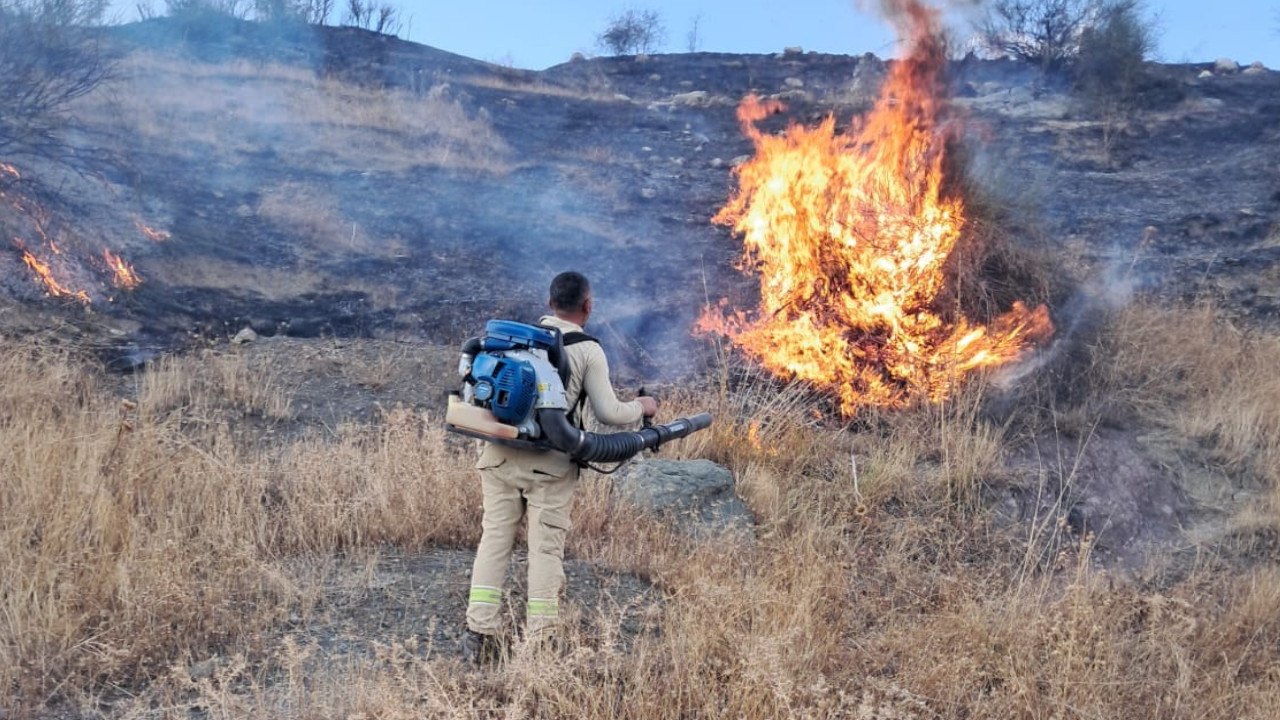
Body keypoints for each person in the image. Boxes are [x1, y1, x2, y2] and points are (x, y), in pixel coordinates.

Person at [463, 271, 659, 664]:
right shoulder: (587, 350)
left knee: (494, 541)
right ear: (587, 306)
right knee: (545, 551)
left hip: (498, 455)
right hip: (550, 466)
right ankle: (540, 641)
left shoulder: (516, 339)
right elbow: (609, 412)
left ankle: (479, 632)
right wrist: (644, 408)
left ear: (549, 302)